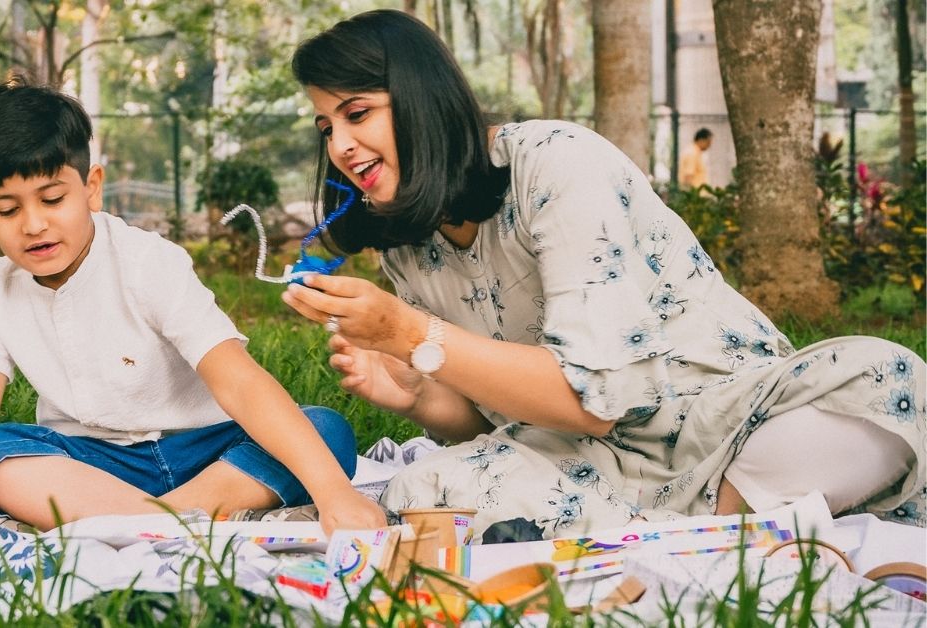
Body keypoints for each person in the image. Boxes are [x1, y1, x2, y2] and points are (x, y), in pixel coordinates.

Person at [282, 10, 925, 537]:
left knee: (891, 379)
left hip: (729, 418)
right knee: (426, 484)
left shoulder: (556, 165)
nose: (339, 146)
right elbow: (496, 425)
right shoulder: (405, 245)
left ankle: (699, 527)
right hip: (598, 462)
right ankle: (709, 538)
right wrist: (419, 393)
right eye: (326, 126)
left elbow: (591, 403)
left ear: (421, 100)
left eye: (358, 113)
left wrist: (410, 332)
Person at [0, 77, 386, 534]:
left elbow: (238, 380)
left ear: (91, 188)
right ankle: (176, 520)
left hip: (202, 452)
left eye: (52, 199)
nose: (34, 224)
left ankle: (159, 517)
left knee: (323, 431)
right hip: (93, 466)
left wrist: (334, 493)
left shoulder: (147, 262)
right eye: (7, 209)